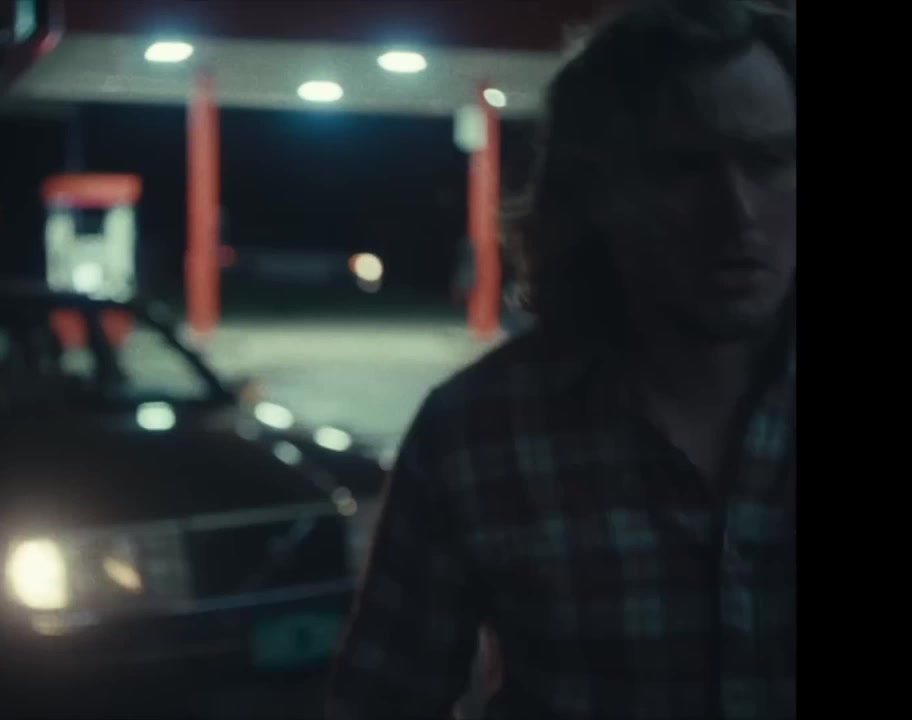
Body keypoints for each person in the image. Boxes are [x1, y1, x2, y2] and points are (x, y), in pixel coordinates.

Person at [328, 1, 795, 718]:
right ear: (598, 195)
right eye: (684, 169)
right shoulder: (476, 435)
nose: (738, 212)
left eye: (770, 161)